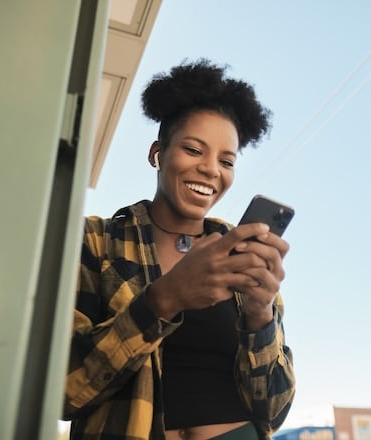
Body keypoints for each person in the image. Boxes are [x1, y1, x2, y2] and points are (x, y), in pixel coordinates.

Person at [63, 58, 295, 440]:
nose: (210, 169)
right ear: (158, 153)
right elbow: (65, 389)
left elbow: (274, 409)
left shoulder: (245, 257)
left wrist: (260, 315)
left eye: (226, 160)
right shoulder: (95, 240)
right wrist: (164, 299)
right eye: (193, 149)